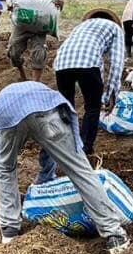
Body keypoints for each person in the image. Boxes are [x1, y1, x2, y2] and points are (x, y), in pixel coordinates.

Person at [0, 80, 130, 254]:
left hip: (10, 115)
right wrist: (46, 176)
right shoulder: (43, 93)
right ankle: (114, 234)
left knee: (5, 169)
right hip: (49, 112)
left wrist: (38, 179)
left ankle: (9, 230)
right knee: (80, 171)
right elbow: (51, 146)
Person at [52, 9, 124, 158]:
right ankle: (85, 150)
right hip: (88, 64)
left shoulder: (82, 26)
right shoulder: (116, 29)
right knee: (93, 107)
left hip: (61, 63)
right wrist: (109, 95)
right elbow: (116, 63)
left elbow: (99, 62)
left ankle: (63, 146)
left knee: (66, 107)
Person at [5, 0, 64, 83]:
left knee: (39, 52)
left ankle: (35, 83)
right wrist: (10, 4)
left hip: (39, 22)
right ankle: (22, 74)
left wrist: (58, 1)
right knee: (13, 51)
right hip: (22, 21)